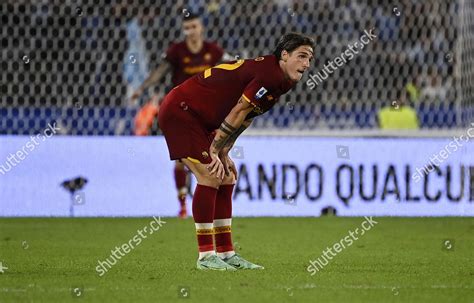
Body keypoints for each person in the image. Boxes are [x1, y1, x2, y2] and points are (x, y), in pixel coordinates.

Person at [158, 33, 314, 271]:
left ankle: (226, 253)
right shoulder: (270, 75)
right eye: (301, 56)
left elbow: (247, 116)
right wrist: (215, 149)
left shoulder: (282, 80)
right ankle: (206, 257)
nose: (306, 64)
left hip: (200, 119)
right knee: (210, 174)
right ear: (284, 55)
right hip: (182, 112)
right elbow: (240, 108)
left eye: (310, 59)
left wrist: (224, 151)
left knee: (228, 175)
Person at [131, 12, 226, 218]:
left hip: (208, 111)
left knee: (214, 155)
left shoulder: (213, 51)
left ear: (201, 27)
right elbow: (160, 71)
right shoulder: (177, 51)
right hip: (182, 111)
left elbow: (229, 70)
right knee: (182, 160)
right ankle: (183, 205)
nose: (191, 31)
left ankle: (211, 202)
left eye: (194, 26)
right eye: (187, 28)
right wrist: (142, 88)